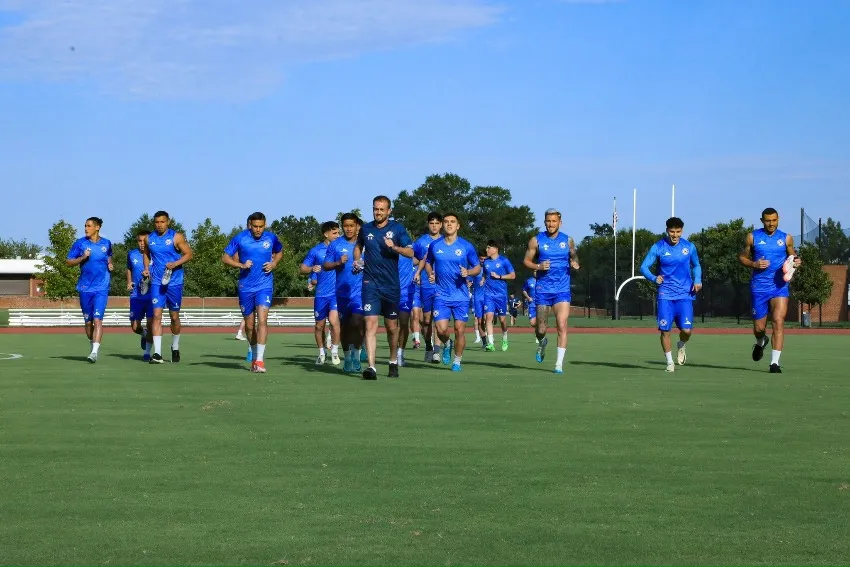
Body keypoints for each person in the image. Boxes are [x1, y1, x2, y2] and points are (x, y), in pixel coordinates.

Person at [353, 195, 414, 379]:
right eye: (375, 209)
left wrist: (394, 247)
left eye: (381, 209)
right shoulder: (366, 228)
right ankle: (371, 367)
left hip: (391, 286)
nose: (378, 212)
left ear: (389, 211)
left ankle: (393, 360)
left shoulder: (397, 228)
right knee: (370, 324)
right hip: (370, 284)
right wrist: (357, 259)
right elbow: (358, 246)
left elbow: (411, 252)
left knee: (391, 328)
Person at [738, 207, 801, 373]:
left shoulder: (786, 238)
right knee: (759, 328)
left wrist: (795, 261)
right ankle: (760, 342)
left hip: (779, 287)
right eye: (767, 220)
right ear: (762, 220)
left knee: (778, 322)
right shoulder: (753, 237)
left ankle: (774, 363)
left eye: (774, 220)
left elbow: (792, 256)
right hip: (758, 288)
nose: (771, 223)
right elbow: (742, 257)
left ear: (778, 219)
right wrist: (754, 264)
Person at [416, 212, 481, 372]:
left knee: (459, 329)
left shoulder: (466, 246)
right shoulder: (435, 245)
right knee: (441, 329)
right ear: (443, 225)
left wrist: (469, 273)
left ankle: (457, 361)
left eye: (453, 222)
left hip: (461, 295)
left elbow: (477, 267)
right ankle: (447, 343)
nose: (449, 224)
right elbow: (428, 262)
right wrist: (430, 273)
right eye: (446, 222)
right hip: (441, 294)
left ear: (458, 226)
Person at [222, 211, 283, 373]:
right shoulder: (240, 238)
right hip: (245, 287)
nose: (258, 229)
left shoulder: (271, 238)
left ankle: (260, 361)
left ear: (265, 225)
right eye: (255, 226)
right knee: (249, 326)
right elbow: (225, 258)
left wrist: (274, 263)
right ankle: (254, 356)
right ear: (249, 225)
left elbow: (279, 251)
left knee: (262, 320)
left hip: (265, 285)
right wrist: (241, 265)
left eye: (261, 226)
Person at [640, 217, 703, 373]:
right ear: (667, 230)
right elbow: (644, 267)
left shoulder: (689, 247)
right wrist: (654, 278)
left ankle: (681, 344)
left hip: (685, 294)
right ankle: (669, 362)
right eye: (672, 231)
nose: (675, 235)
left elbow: (696, 265)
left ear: (682, 231)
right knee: (665, 330)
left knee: (687, 330)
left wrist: (698, 279)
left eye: (678, 231)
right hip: (665, 295)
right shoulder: (658, 247)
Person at [523, 208, 580, 374]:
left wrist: (575, 263)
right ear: (544, 222)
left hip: (562, 290)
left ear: (560, 222)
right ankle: (542, 342)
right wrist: (538, 266)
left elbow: (574, 256)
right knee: (540, 329)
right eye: (548, 221)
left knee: (562, 325)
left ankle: (558, 364)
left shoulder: (568, 240)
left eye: (554, 221)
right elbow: (526, 261)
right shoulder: (536, 240)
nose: (551, 224)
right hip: (542, 290)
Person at [143, 210, 193, 364]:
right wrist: (146, 269)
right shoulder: (149, 239)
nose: (159, 225)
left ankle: (175, 346)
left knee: (174, 317)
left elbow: (189, 254)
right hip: (157, 282)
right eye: (157, 222)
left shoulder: (176, 236)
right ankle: (157, 354)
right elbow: (146, 254)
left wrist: (175, 264)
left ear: (168, 222)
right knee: (156, 316)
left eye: (162, 222)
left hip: (174, 282)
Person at [65, 217, 113, 363]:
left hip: (102, 287)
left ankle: (94, 352)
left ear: (97, 227)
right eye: (85, 226)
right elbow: (68, 262)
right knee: (88, 322)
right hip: (85, 287)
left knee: (98, 319)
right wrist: (82, 258)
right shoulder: (80, 243)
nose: (86, 228)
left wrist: (110, 265)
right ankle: (92, 345)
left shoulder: (106, 243)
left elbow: (109, 257)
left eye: (89, 226)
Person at [323, 213, 365, 373]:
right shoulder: (335, 245)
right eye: (345, 226)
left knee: (357, 321)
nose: (348, 228)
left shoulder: (364, 245)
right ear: (343, 227)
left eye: (351, 225)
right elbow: (326, 265)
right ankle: (347, 357)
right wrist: (337, 262)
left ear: (356, 227)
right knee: (345, 327)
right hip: (341, 294)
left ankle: (357, 353)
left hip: (360, 293)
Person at [300, 221, 341, 365]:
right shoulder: (316, 251)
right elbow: (302, 268)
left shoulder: (341, 249)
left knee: (335, 321)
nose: (337, 235)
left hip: (336, 294)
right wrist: (312, 269)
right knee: (319, 326)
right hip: (321, 295)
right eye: (334, 233)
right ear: (326, 234)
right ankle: (321, 353)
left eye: (338, 232)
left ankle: (335, 352)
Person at [411, 212, 443, 363]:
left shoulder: (446, 241)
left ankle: (437, 351)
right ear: (428, 224)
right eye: (432, 223)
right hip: (425, 285)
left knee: (439, 319)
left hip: (442, 286)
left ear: (441, 225)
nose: (434, 226)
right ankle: (429, 347)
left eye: (437, 223)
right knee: (426, 320)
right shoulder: (421, 242)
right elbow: (414, 259)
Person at [482, 240, 516, 352]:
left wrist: (499, 276)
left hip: (501, 295)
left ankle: (505, 337)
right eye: (486, 248)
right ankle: (490, 344)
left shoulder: (504, 261)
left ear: (495, 249)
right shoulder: (486, 262)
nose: (486, 250)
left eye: (489, 248)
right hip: (488, 295)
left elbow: (513, 276)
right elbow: (484, 275)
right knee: (488, 318)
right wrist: (482, 280)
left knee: (502, 320)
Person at [127, 230, 153, 361]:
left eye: (144, 241)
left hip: (152, 296)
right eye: (139, 241)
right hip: (136, 295)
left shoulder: (155, 255)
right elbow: (129, 269)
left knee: (151, 323)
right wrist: (129, 281)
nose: (142, 243)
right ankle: (144, 334)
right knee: (135, 327)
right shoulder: (131, 254)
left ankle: (147, 353)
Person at [396, 253, 417, 366]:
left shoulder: (410, 249)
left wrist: (417, 273)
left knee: (403, 323)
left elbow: (421, 259)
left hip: (406, 293)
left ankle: (400, 353)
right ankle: (393, 353)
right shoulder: (386, 248)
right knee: (391, 325)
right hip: (390, 291)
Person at [472, 252, 488, 349]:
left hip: (489, 297)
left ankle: (490, 338)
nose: (483, 261)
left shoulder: (491, 268)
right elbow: (468, 279)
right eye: (481, 259)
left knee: (487, 318)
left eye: (485, 259)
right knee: (480, 320)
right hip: (478, 298)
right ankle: (484, 341)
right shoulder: (475, 269)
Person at [522, 271, 538, 337]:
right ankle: (539, 331)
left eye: (537, 271)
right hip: (532, 304)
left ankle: (539, 336)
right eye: (534, 271)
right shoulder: (529, 281)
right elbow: (524, 290)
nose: (536, 272)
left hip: (541, 304)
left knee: (540, 320)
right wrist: (528, 298)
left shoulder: (543, 280)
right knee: (532, 323)